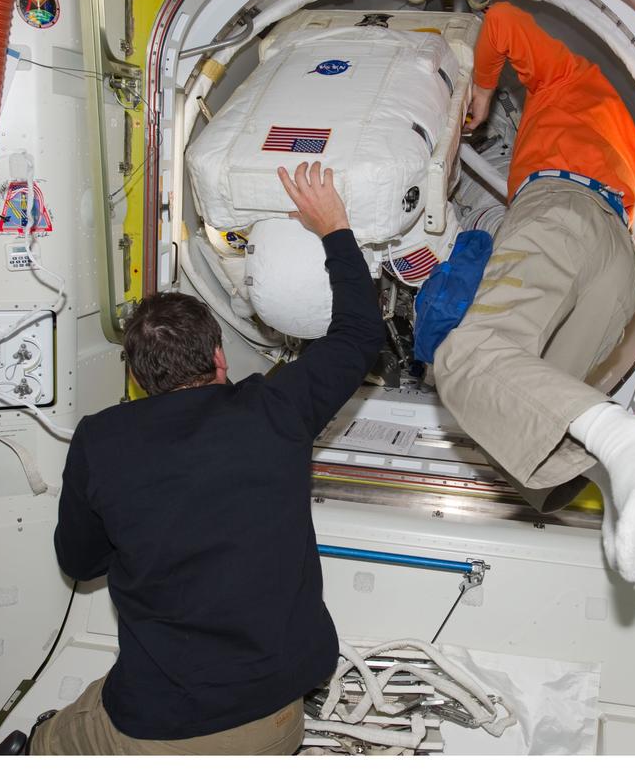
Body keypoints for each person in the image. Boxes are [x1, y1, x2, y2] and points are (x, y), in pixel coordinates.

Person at [31, 162, 385, 755]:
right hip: (276, 721)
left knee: (48, 742)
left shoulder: (101, 441)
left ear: (139, 379)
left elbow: (80, 561)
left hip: (159, 727)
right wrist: (334, 228)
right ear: (219, 359)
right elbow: (358, 333)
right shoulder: (277, 409)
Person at [434, 2, 635, 583]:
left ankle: (626, 443)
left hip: (561, 212)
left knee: (468, 358)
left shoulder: (571, 77)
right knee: (525, 421)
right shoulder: (623, 140)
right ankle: (617, 475)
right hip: (617, 263)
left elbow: (500, 18)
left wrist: (480, 88)